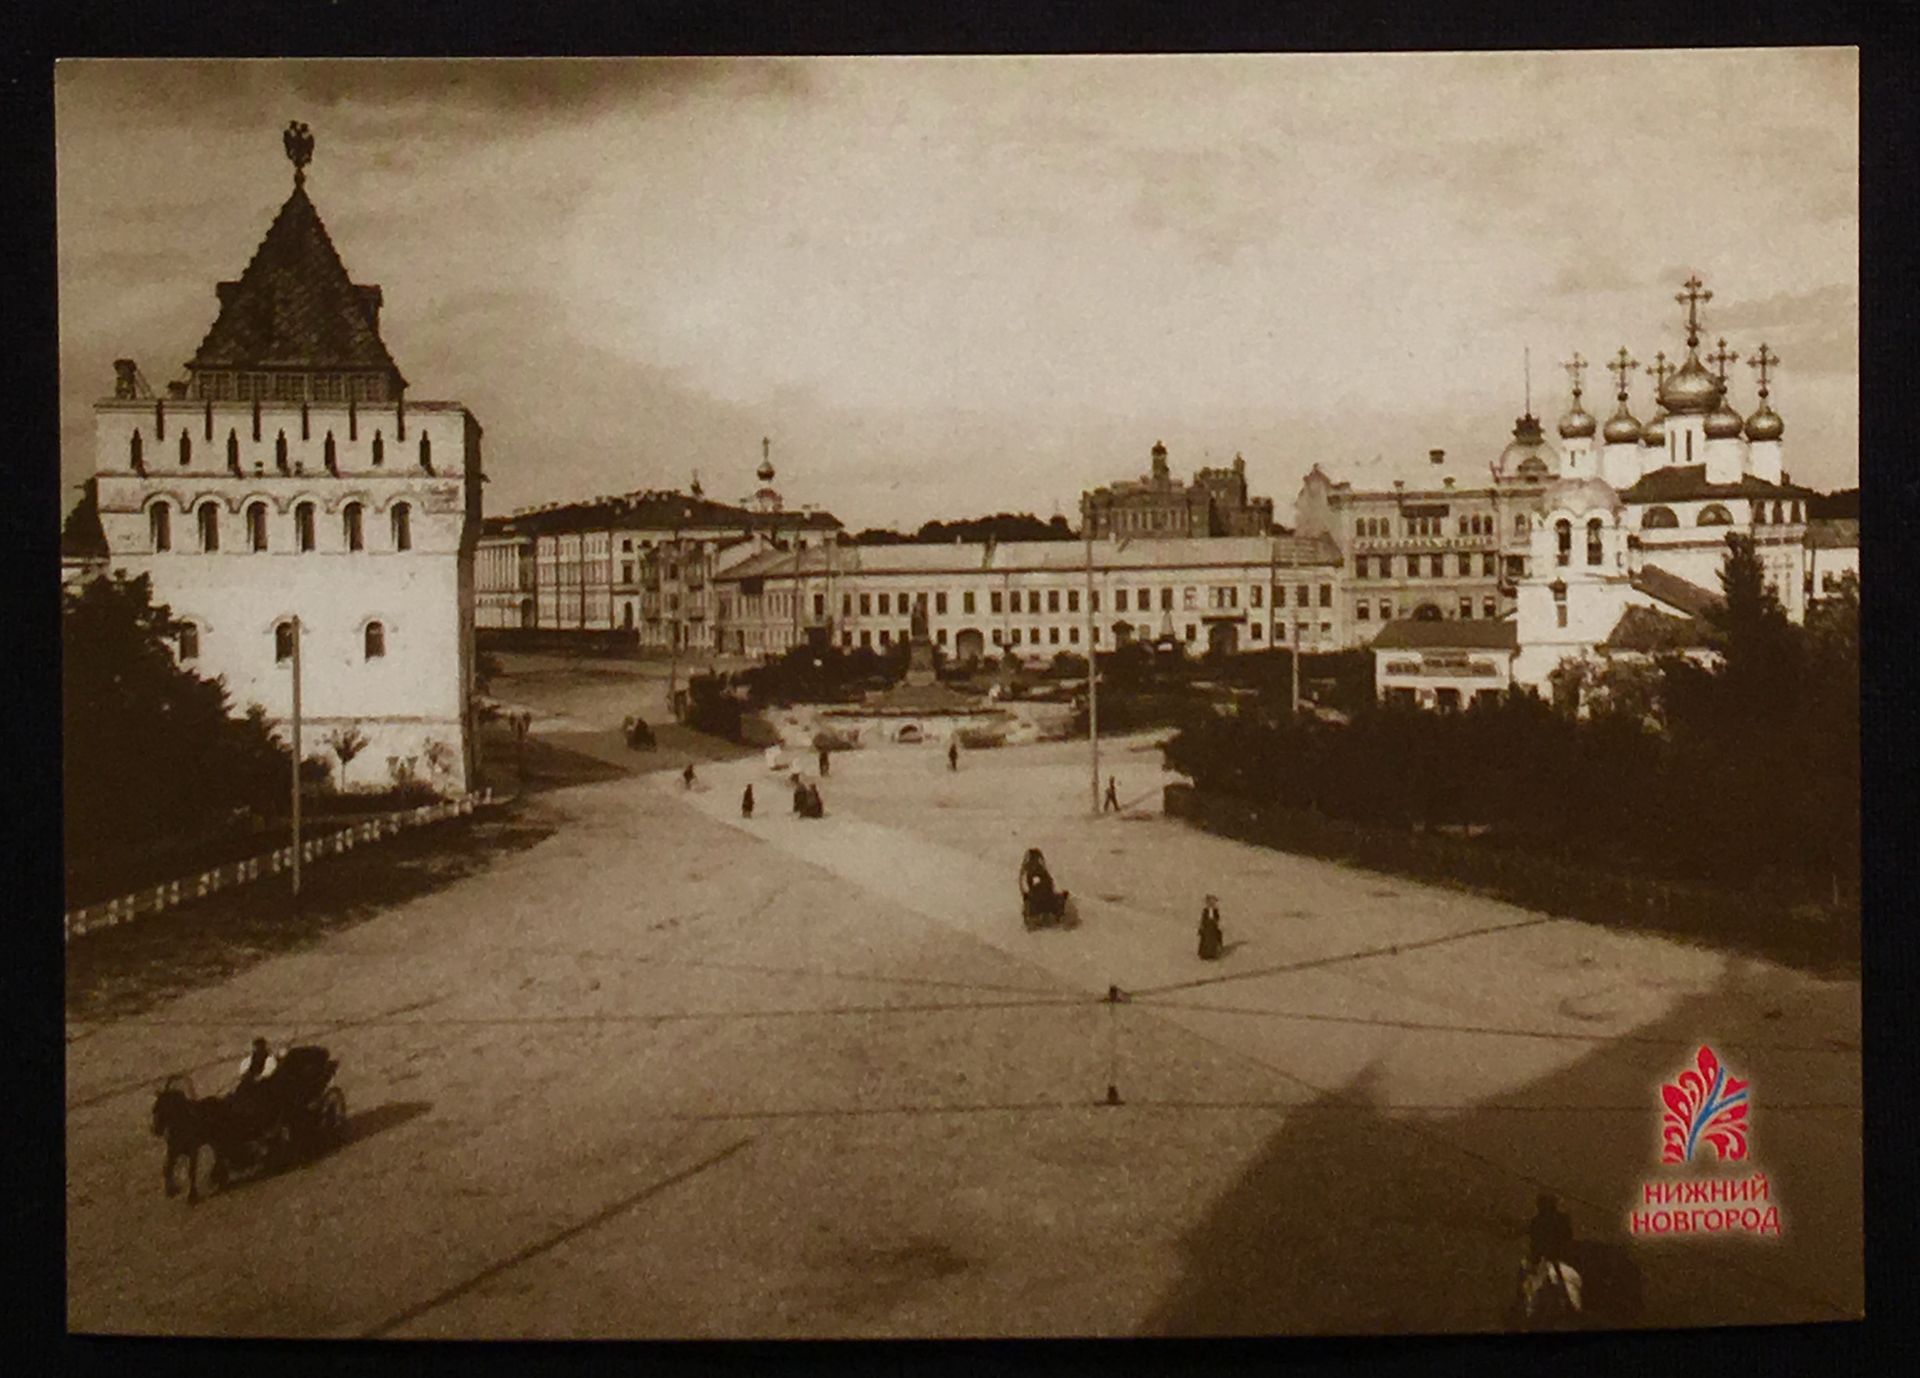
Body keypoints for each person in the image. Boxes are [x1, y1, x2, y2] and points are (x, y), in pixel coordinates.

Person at [1198, 895, 1224, 960]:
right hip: (1207, 928)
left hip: (1213, 928)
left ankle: (1212, 954)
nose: (1211, 904)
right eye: (1210, 903)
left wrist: (1215, 922)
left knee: (1213, 940)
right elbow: (1203, 919)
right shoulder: (1205, 911)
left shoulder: (1215, 911)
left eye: (1213, 903)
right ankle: (1205, 954)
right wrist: (1202, 926)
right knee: (1205, 940)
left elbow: (1217, 918)